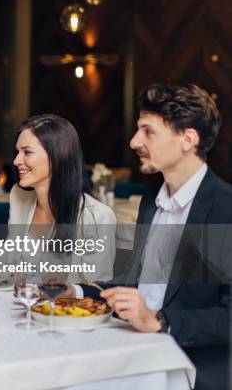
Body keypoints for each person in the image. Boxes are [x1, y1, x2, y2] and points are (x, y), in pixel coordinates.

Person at [75, 83, 231, 390]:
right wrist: (75, 293)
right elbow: (135, 284)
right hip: (133, 345)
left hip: (186, 364)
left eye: (148, 131)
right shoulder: (151, 200)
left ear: (188, 139)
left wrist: (161, 320)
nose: (134, 142)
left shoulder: (225, 209)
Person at [0, 114, 117, 282]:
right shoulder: (20, 196)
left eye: (27, 152)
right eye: (17, 152)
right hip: (19, 303)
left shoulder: (98, 217)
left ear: (57, 157)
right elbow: (11, 263)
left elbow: (94, 291)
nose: (16, 160)